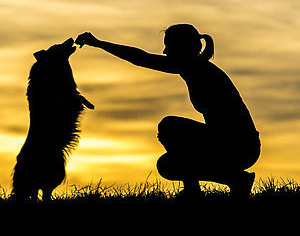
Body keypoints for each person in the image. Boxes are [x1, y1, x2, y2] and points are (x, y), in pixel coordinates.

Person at [75, 23, 260, 198]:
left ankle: (229, 181)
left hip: (240, 146)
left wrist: (99, 44)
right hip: (233, 143)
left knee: (169, 130)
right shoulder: (196, 68)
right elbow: (142, 58)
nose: (164, 52)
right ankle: (228, 181)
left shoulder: (196, 68)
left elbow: (140, 58)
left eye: (168, 47)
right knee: (167, 164)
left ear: (182, 48)